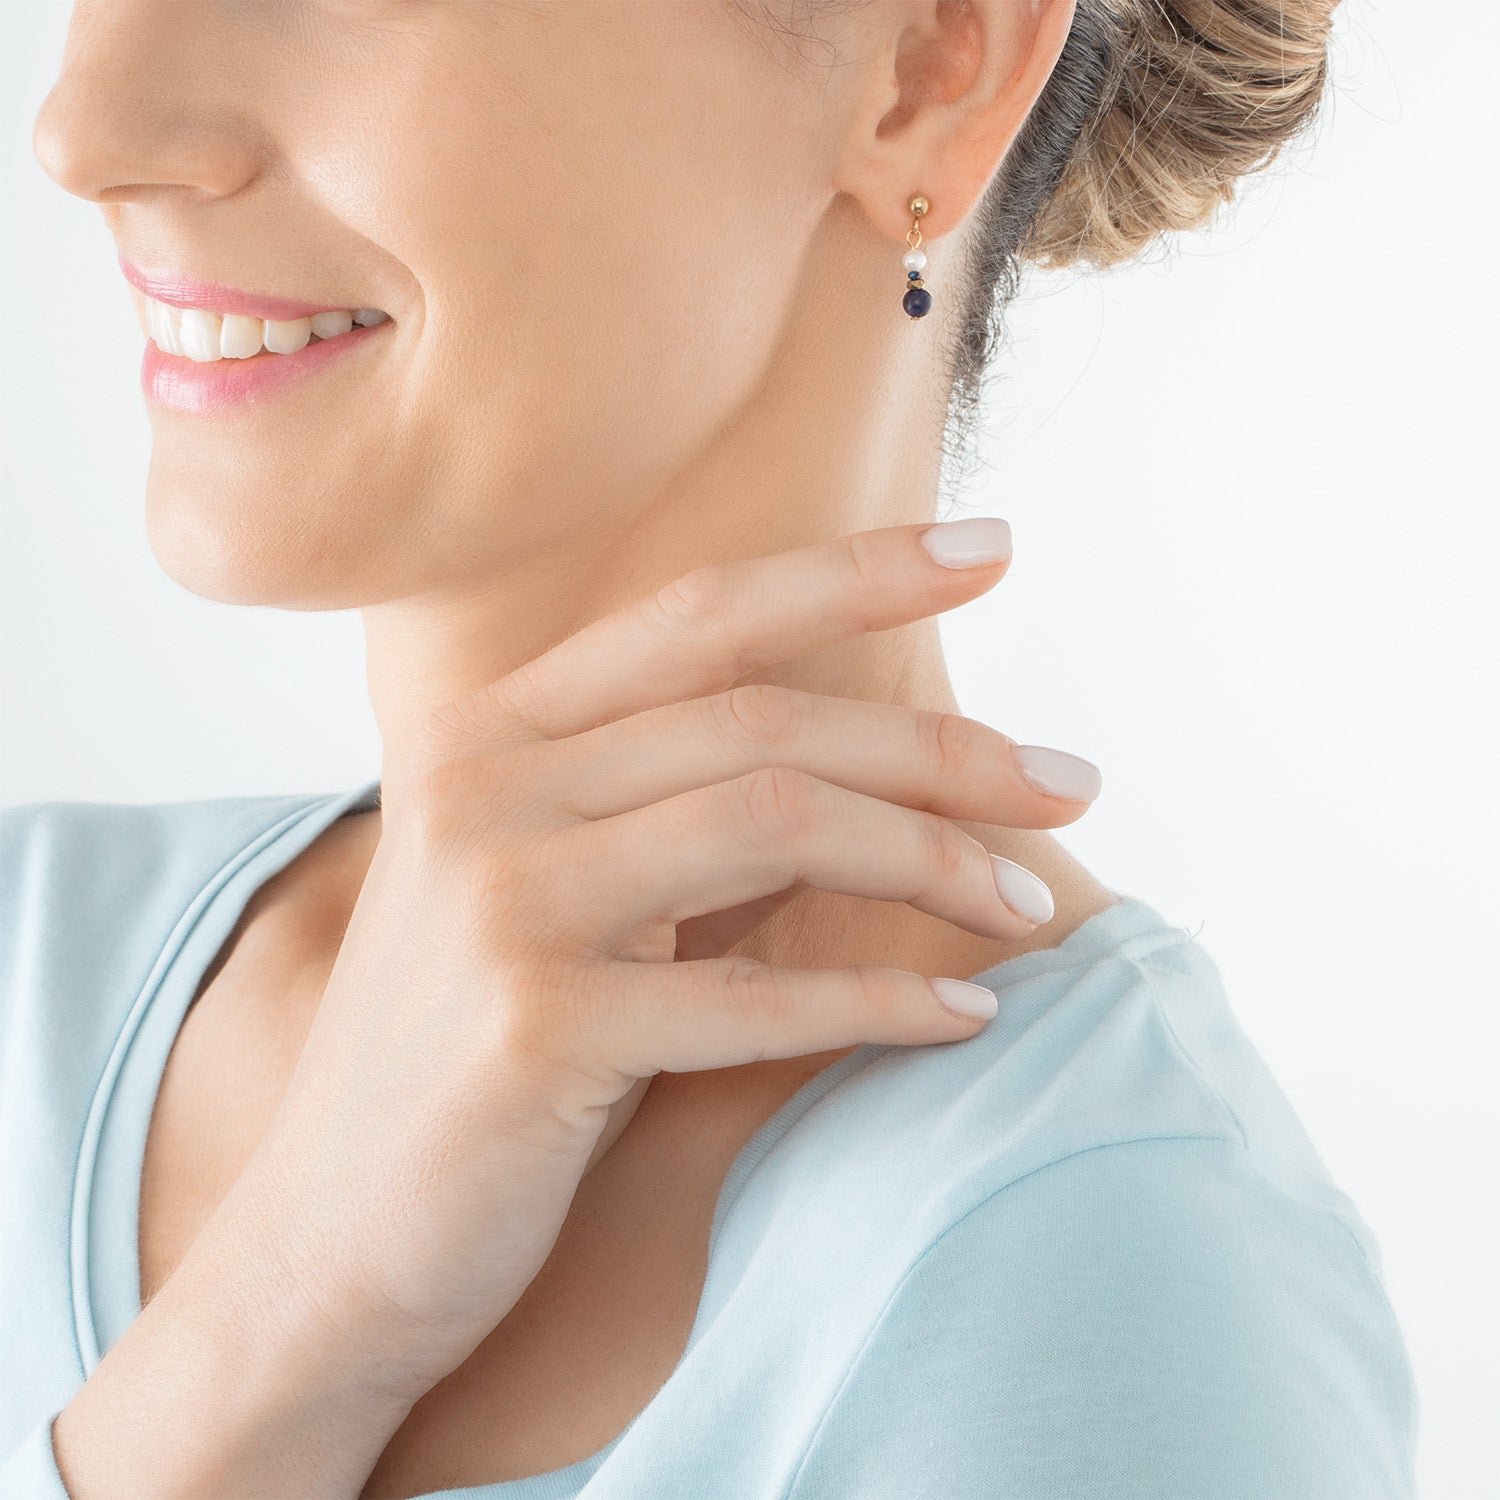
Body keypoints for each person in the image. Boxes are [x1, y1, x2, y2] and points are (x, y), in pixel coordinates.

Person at [1, 1, 1417, 1497]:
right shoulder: (25, 961)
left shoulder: (1113, 1273)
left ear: (930, 66)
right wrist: (277, 1317)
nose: (86, 132)